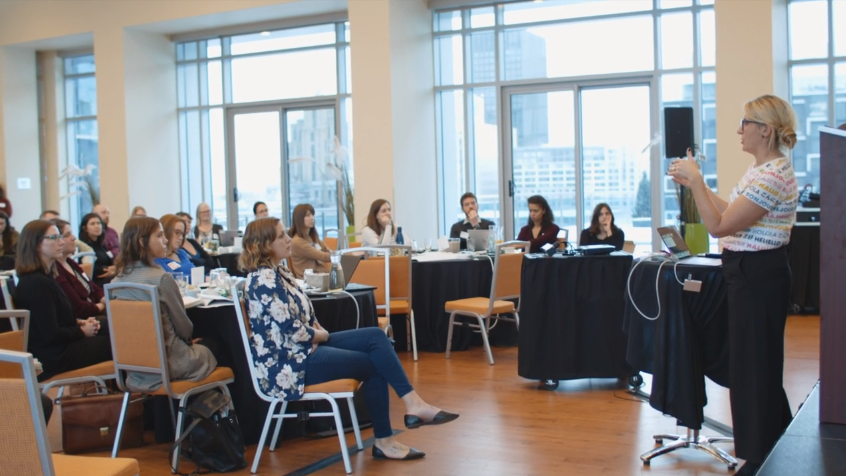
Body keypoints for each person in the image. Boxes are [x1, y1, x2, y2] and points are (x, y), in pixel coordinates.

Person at [240, 217, 458, 460]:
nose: (288, 239)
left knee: (375, 336)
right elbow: (293, 330)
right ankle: (385, 439)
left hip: (303, 348)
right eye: (281, 236)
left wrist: (317, 330)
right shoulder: (262, 281)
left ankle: (413, 403)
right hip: (289, 365)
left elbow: (303, 315)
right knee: (374, 365)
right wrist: (320, 334)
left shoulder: (278, 271)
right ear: (264, 244)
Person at [668, 94, 799, 473]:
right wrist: (698, 183)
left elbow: (719, 226)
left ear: (765, 130)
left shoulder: (774, 173)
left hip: (758, 277)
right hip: (749, 274)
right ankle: (775, 446)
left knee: (754, 370)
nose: (739, 130)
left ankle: (759, 457)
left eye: (745, 123)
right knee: (753, 368)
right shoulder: (760, 170)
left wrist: (696, 184)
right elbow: (730, 212)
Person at [109, 217, 219, 390]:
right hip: (172, 364)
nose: (166, 240)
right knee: (218, 344)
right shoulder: (162, 279)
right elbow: (185, 329)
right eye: (160, 235)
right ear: (143, 242)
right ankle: (205, 413)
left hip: (135, 369)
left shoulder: (115, 283)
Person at [15, 220, 111, 382]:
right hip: (54, 356)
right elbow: (50, 334)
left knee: (110, 327)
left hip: (60, 347)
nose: (61, 242)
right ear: (37, 245)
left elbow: (56, 318)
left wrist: (80, 323)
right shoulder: (37, 283)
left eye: (60, 237)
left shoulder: (46, 277)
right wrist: (81, 330)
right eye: (54, 237)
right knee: (120, 343)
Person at [50, 218, 107, 321]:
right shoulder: (57, 271)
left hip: (94, 308)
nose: (74, 238)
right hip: (85, 317)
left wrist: (105, 299)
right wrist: (101, 306)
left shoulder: (70, 262)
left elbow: (93, 287)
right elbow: (78, 308)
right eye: (67, 235)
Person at [288, 203, 331, 278]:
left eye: (312, 215)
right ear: (299, 219)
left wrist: (344, 255)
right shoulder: (297, 241)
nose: (312, 218)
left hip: (322, 277)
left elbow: (328, 251)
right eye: (308, 215)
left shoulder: (312, 237)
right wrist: (344, 256)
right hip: (311, 281)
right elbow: (323, 256)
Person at [79, 213, 116, 286]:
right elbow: (90, 268)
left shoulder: (102, 245)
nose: (97, 226)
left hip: (109, 277)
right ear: (85, 228)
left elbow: (110, 261)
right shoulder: (84, 247)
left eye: (99, 223)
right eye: (92, 224)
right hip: (95, 282)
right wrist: (110, 269)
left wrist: (114, 269)